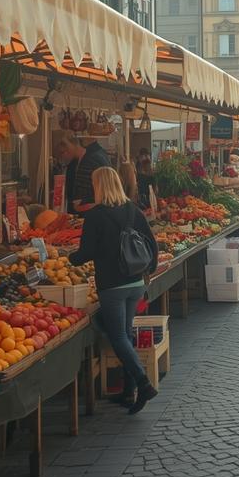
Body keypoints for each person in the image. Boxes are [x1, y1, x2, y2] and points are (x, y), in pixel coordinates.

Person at [69, 167, 160, 414]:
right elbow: (152, 242)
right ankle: (129, 391)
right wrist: (148, 271)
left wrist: (69, 259)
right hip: (136, 282)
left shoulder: (96, 215)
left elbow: (86, 252)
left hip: (112, 284)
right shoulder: (133, 209)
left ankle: (143, 383)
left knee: (118, 336)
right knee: (126, 334)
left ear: (99, 186)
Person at [56, 133, 111, 213]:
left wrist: (82, 202)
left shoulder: (91, 160)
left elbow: (100, 191)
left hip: (91, 213)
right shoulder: (75, 162)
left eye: (63, 152)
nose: (63, 156)